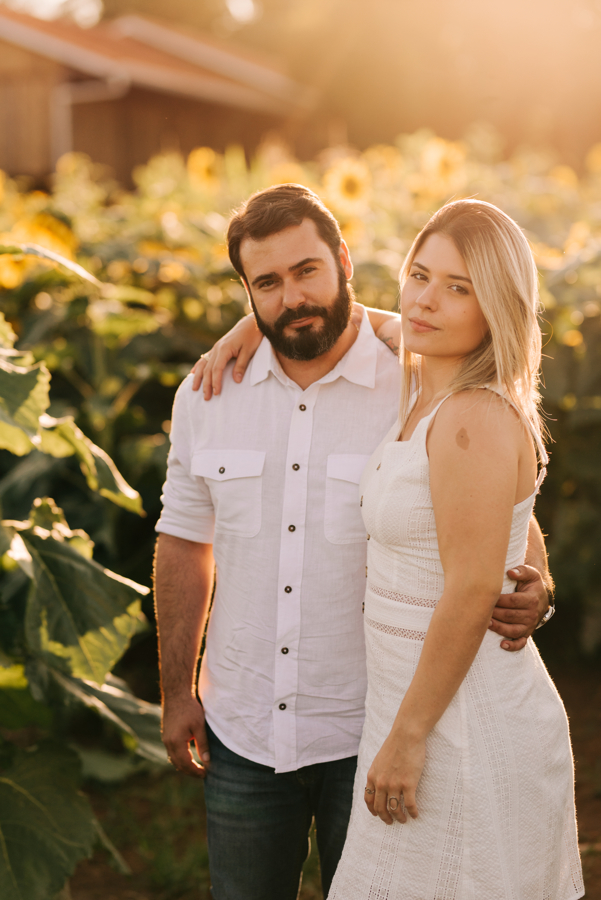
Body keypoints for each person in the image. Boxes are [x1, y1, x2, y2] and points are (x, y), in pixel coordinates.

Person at [154, 185, 553, 900]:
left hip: (374, 721)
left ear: (343, 260)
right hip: (243, 722)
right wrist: (175, 689)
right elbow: (183, 538)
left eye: (307, 270)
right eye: (266, 284)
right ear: (246, 291)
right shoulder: (208, 394)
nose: (292, 298)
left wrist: (536, 578)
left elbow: (497, 504)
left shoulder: (413, 375)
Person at [326, 199, 583, 899]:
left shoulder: (472, 414)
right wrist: (244, 328)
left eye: (457, 288)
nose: (424, 300)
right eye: (419, 275)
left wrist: (409, 737)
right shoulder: (425, 387)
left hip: (459, 722)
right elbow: (368, 319)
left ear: (494, 308)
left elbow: (471, 586)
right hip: (413, 704)